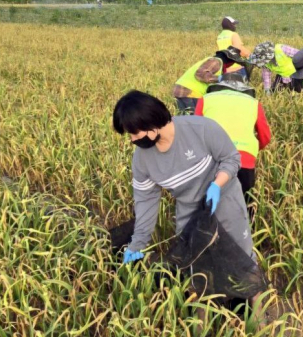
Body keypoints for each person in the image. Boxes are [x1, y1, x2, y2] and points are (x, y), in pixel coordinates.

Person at [112, 90, 263, 318]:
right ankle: (200, 329)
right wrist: (137, 243)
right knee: (196, 268)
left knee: (243, 261)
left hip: (224, 201)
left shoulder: (202, 129)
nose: (133, 140)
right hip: (189, 212)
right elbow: (145, 202)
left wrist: (216, 185)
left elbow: (232, 158)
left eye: (135, 133)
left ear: (152, 125)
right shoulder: (142, 160)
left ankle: (260, 324)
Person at [195, 75, 271, 218]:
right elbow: (265, 136)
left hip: (212, 157)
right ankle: (247, 234)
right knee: (245, 201)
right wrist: (252, 150)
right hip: (244, 158)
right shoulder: (253, 103)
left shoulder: (205, 99)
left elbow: (196, 130)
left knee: (211, 203)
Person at [173, 47, 243, 114]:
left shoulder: (212, 61)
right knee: (192, 121)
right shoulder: (216, 61)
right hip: (190, 93)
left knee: (184, 120)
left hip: (183, 91)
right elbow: (201, 74)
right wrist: (221, 78)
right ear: (230, 61)